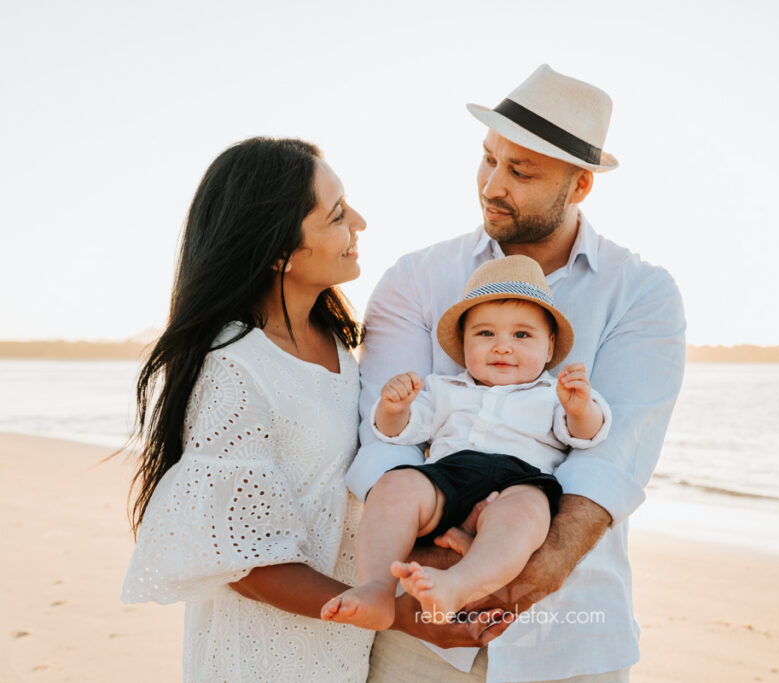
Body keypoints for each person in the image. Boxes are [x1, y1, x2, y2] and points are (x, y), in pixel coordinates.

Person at [347, 64, 686, 682]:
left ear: (579, 185)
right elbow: (383, 443)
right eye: (488, 159)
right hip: (419, 639)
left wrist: (529, 567)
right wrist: (431, 572)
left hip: (572, 632)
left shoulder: (642, 293)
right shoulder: (416, 279)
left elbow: (613, 455)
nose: (492, 185)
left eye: (521, 171)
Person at [121, 137, 377, 681]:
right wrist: (399, 613)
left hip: (343, 644)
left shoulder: (338, 342)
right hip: (262, 656)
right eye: (336, 215)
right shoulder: (233, 364)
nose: (359, 220)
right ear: (279, 254)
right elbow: (245, 560)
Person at [322, 255, 611, 629]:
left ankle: (456, 586)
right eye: (485, 334)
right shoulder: (445, 389)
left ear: (550, 347)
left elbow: (589, 436)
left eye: (522, 335)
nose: (503, 347)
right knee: (394, 484)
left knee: (526, 516)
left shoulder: (553, 394)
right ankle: (377, 588)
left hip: (520, 483)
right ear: (463, 344)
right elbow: (399, 433)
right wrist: (394, 408)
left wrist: (580, 408)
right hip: (448, 476)